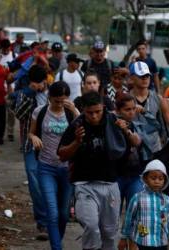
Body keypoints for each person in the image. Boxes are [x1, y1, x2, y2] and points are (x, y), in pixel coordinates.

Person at [57, 91, 125, 250]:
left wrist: (126, 131)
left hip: (110, 184)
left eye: (98, 112)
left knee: (109, 232)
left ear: (103, 107)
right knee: (91, 226)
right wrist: (77, 141)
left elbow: (134, 144)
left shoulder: (114, 121)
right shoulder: (77, 125)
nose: (94, 116)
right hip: (84, 185)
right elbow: (61, 155)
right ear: (83, 109)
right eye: (90, 113)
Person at [28, 81, 78, 250]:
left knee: (63, 214)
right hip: (45, 167)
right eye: (56, 100)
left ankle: (57, 239)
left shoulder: (71, 113)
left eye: (63, 100)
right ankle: (57, 247)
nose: (59, 104)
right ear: (49, 97)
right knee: (52, 211)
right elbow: (31, 131)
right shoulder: (40, 111)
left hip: (66, 169)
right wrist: (33, 137)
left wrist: (75, 110)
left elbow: (84, 130)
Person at [13, 64, 48, 237]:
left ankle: (55, 215)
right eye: (36, 83)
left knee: (50, 183)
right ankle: (42, 222)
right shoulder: (24, 94)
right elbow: (19, 114)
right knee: (35, 183)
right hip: (30, 146)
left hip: (50, 147)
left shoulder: (51, 95)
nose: (40, 86)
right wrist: (30, 92)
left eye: (41, 82)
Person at [119, 159, 169, 250]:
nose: (157, 181)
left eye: (160, 178)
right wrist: (124, 238)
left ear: (165, 180)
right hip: (142, 242)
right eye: (153, 178)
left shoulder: (167, 200)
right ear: (145, 179)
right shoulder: (138, 198)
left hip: (161, 243)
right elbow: (129, 219)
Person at [0, 51, 10, 156]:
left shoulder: (4, 69)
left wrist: (9, 92)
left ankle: (0, 138)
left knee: (3, 119)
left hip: (2, 99)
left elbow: (9, 80)